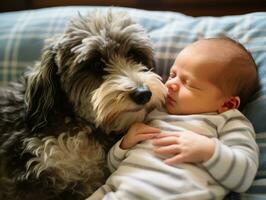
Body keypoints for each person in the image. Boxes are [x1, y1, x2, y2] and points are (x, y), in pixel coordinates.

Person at [87, 37, 259, 200]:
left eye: (188, 83)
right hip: (116, 193)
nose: (170, 84)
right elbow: (111, 167)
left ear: (228, 104)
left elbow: (243, 177)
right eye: (172, 74)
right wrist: (125, 145)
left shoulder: (228, 120)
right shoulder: (155, 109)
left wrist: (209, 151)